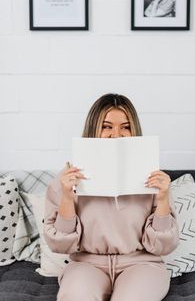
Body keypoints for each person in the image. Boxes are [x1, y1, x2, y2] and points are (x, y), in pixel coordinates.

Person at [43, 93, 179, 301]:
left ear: (134, 131)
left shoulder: (151, 176)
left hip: (142, 265)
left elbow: (164, 246)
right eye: (107, 126)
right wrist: (68, 198)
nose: (116, 134)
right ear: (93, 129)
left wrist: (162, 200)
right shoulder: (66, 180)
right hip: (86, 265)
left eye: (125, 127)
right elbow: (59, 245)